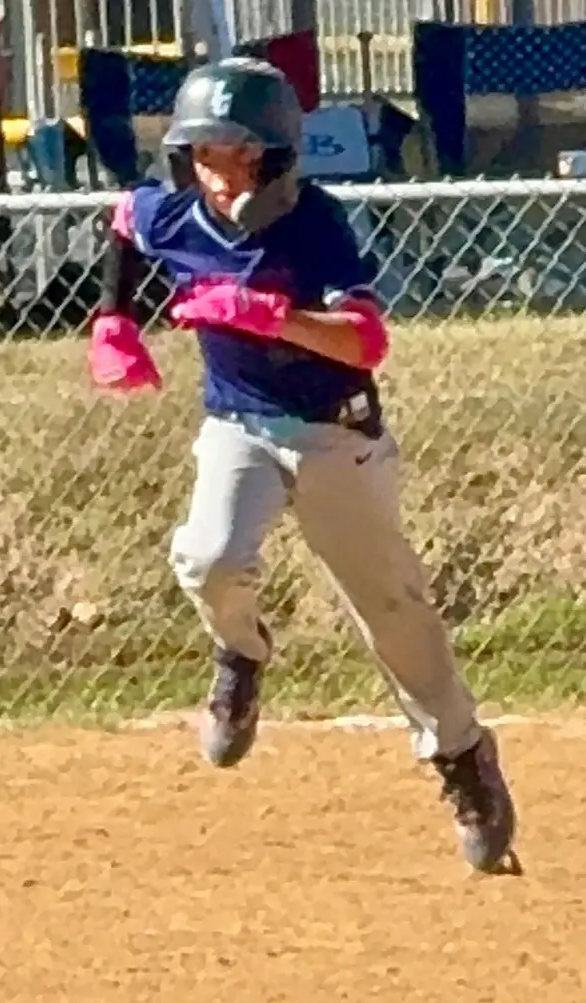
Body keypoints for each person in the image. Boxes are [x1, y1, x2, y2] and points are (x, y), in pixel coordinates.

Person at [89, 56, 519, 875]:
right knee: (207, 557)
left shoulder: (314, 223)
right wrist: (114, 320)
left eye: (239, 153)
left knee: (392, 613)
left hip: (333, 435)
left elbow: (365, 341)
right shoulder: (175, 213)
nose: (220, 174)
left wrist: (269, 316)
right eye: (204, 154)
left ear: (277, 155)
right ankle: (241, 652)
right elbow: (124, 221)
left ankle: (462, 755)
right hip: (239, 425)